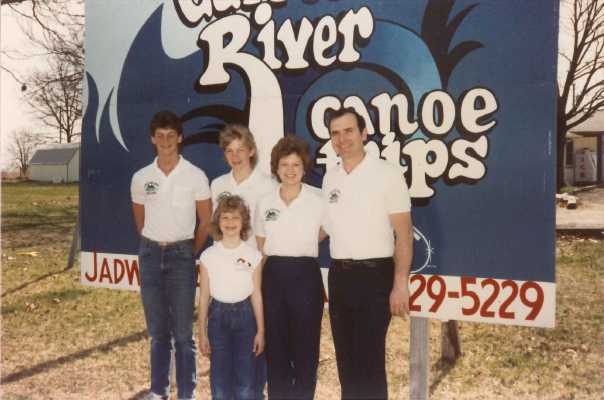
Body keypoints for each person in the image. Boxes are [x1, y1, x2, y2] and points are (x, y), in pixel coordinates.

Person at [322, 107, 414, 400]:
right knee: (346, 364)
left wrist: (400, 284)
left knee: (369, 364)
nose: (342, 138)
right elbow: (323, 227)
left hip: (375, 277)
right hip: (339, 276)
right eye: (336, 133)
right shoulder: (330, 178)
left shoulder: (386, 174)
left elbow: (405, 233)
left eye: (349, 130)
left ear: (363, 133)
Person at [131, 110, 212, 400]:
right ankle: (158, 391)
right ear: (153, 139)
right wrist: (155, 245)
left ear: (180, 137)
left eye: (171, 135)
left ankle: (186, 393)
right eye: (160, 136)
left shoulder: (195, 176)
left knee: (183, 335)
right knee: (158, 333)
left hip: (182, 257)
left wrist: (189, 251)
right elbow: (141, 224)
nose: (166, 141)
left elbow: (206, 221)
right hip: (151, 256)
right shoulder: (141, 177)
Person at [253, 135, 329, 400]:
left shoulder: (319, 199)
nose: (290, 170)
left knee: (306, 352)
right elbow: (262, 249)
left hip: (306, 277)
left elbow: (322, 233)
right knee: (276, 353)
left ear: (304, 167)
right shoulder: (264, 203)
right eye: (284, 164)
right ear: (276, 167)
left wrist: (301, 246)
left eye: (296, 164)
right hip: (273, 277)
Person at [211, 124, 278, 398]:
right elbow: (217, 231)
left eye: (241, 150)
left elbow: (270, 234)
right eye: (229, 151)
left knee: (253, 353)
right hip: (224, 282)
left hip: (254, 278)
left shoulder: (268, 186)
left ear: (251, 151)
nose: (235, 156)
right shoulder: (217, 185)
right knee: (224, 360)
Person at [198, 195, 265, 400]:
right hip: (218, 316)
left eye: (235, 218)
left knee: (244, 379)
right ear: (217, 221)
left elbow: (256, 295)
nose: (230, 223)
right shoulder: (208, 256)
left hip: (246, 317)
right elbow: (203, 297)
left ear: (243, 222)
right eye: (225, 218)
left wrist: (261, 331)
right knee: (219, 377)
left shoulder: (253, 255)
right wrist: (201, 332)